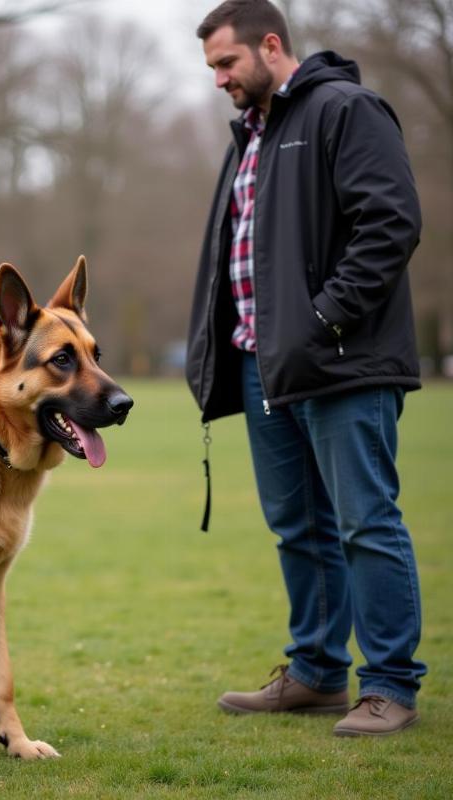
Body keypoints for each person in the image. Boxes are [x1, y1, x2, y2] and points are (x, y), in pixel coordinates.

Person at [185, 0, 426, 736]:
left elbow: (391, 222)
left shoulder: (346, 110)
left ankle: (389, 686)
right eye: (211, 69)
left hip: (342, 363)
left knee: (365, 523)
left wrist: (323, 318)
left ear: (269, 44)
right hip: (266, 367)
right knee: (298, 528)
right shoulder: (249, 138)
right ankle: (318, 673)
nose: (219, 79)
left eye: (227, 63)